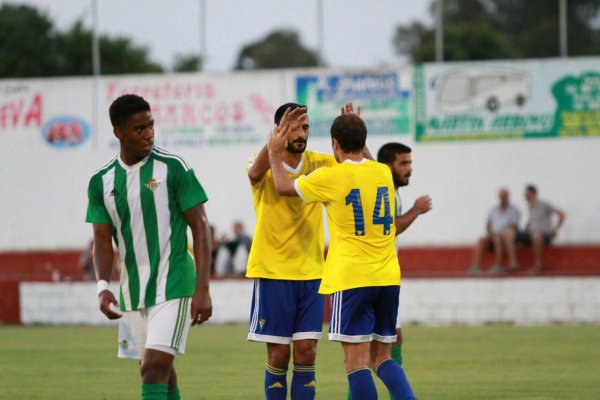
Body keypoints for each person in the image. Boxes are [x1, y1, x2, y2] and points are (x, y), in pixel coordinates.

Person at [267, 112, 416, 400]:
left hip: (352, 279)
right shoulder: (383, 172)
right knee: (382, 357)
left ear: (334, 143)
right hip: (388, 278)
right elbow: (369, 161)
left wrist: (274, 152)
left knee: (355, 363)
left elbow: (283, 187)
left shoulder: (330, 176)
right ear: (364, 142)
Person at [85, 94, 212, 400]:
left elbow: (201, 226)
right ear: (119, 132)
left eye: (151, 125)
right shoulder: (101, 181)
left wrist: (203, 288)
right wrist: (102, 286)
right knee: (160, 374)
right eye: (139, 128)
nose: (149, 133)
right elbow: (102, 240)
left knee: (152, 368)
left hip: (175, 282)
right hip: (133, 291)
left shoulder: (173, 167)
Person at [245, 102, 370, 400]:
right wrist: (272, 143)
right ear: (278, 130)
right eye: (294, 128)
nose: (302, 134)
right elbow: (254, 173)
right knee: (278, 355)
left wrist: (355, 136)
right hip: (273, 271)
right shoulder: (262, 161)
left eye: (306, 127)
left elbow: (362, 168)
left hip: (313, 271)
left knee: (306, 351)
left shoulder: (321, 163)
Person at [377, 142, 432, 396]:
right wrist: (416, 210)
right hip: (374, 278)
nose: (410, 168)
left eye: (410, 162)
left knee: (390, 341)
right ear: (387, 166)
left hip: (383, 277)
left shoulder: (392, 190)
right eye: (403, 163)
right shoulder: (385, 189)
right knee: (367, 353)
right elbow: (391, 227)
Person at [468, 188, 521, 275]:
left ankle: (498, 266)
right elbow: (488, 224)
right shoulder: (493, 209)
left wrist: (500, 234)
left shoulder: (514, 210)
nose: (503, 199)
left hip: (505, 236)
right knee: (481, 240)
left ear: (508, 197)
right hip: (493, 234)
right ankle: (476, 266)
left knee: (498, 239)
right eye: (501, 196)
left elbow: (513, 226)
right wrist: (490, 232)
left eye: (504, 196)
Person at [516, 184, 566, 273]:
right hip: (532, 233)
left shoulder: (544, 204)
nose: (524, 196)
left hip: (544, 234)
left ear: (531, 193)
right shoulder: (530, 207)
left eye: (526, 193)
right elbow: (532, 221)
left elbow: (562, 214)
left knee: (536, 236)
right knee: (511, 234)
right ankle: (513, 265)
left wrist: (556, 228)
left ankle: (538, 265)